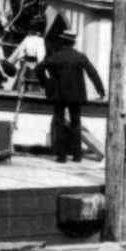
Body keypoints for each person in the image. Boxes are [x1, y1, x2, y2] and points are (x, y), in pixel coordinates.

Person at [35, 29, 105, 163]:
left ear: (62, 41)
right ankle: (77, 155)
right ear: (73, 42)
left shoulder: (56, 56)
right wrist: (101, 91)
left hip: (59, 94)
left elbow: (38, 69)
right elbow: (92, 73)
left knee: (59, 123)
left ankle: (61, 156)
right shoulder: (80, 56)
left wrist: (46, 83)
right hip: (76, 95)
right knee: (76, 123)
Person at [9, 14, 46, 92]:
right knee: (32, 86)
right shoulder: (40, 40)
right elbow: (40, 58)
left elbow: (18, 52)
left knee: (20, 83)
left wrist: (10, 62)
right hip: (34, 67)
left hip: (25, 66)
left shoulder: (27, 38)